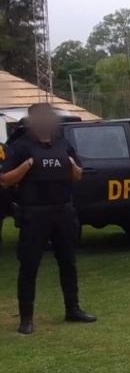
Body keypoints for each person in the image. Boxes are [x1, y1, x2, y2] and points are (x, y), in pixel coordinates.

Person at [0, 103, 97, 334]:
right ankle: (26, 318)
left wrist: (74, 168)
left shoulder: (62, 143)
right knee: (29, 266)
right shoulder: (21, 146)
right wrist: (27, 166)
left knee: (68, 262)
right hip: (35, 213)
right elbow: (5, 180)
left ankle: (73, 309)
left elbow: (77, 175)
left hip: (63, 211)